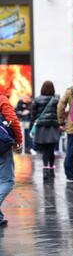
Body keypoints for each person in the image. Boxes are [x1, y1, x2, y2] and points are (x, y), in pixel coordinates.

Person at [0, 94, 23, 227]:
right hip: (1, 147)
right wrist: (19, 141)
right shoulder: (1, 99)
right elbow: (12, 120)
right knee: (7, 181)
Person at [30, 81, 61, 180]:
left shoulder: (37, 99)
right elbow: (59, 113)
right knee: (51, 149)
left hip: (41, 127)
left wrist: (32, 125)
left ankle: (45, 170)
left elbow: (33, 114)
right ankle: (51, 170)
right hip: (53, 127)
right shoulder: (56, 100)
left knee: (45, 150)